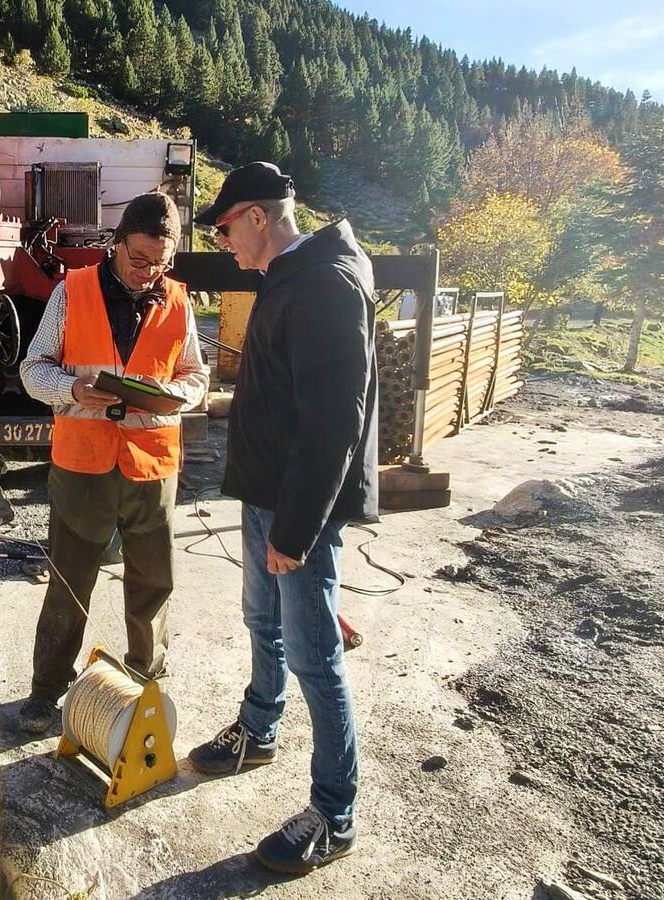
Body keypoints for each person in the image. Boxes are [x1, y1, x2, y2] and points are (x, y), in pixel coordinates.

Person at [186, 162, 378, 875]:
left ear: (259, 218)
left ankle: (335, 814)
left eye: (228, 228)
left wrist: (295, 532)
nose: (225, 243)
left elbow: (334, 424)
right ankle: (259, 730)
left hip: (298, 510)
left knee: (315, 658)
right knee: (261, 623)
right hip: (267, 494)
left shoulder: (325, 283)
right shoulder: (292, 275)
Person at [15, 191, 210, 734]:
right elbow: (34, 371)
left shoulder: (178, 300)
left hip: (152, 466)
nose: (149, 272)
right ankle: (46, 689)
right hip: (83, 466)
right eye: (139, 259)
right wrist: (73, 386)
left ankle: (144, 683)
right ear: (116, 244)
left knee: (153, 582)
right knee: (68, 582)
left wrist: (174, 394)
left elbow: (196, 374)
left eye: (160, 262)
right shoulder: (70, 292)